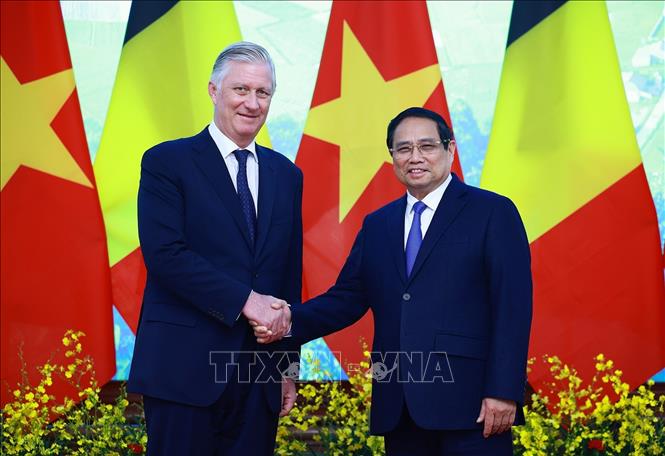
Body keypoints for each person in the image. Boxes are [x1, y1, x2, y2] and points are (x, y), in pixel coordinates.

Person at [255, 107, 532, 455]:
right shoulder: (378, 224)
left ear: (450, 149)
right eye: (403, 148)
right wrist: (285, 319)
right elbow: (346, 299)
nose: (415, 157)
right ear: (392, 157)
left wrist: (503, 390)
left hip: (472, 407)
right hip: (399, 407)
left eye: (427, 146)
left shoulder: (492, 212)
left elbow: (512, 307)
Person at [128, 41, 302, 456]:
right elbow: (166, 255)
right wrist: (247, 301)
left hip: (258, 377)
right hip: (182, 371)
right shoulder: (166, 162)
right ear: (213, 90)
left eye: (263, 93)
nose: (252, 103)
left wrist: (288, 367)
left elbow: (288, 277)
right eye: (241, 89)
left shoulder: (287, 174)